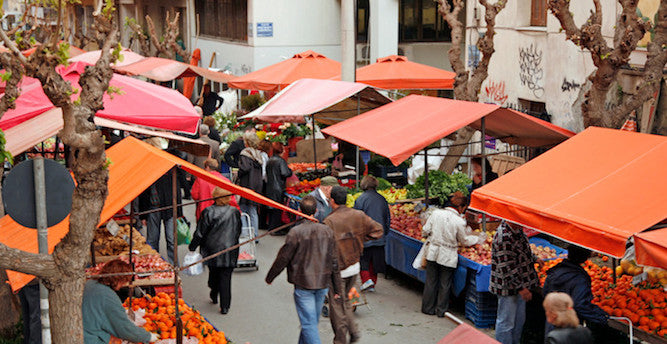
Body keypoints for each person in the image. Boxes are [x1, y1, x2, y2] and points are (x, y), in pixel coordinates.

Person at [266, 196, 343, 344]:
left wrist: (270, 277)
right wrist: (338, 287)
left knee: (308, 323)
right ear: (316, 211)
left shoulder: (296, 232)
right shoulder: (327, 231)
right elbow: (334, 261)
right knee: (311, 322)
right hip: (322, 283)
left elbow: (283, 258)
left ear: (300, 211)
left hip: (303, 284)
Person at [323, 186, 383, 344]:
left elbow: (324, 248)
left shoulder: (329, 221)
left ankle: (342, 339)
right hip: (354, 266)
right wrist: (359, 240)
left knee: (337, 306)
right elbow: (378, 230)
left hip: (338, 270)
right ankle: (353, 332)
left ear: (332, 201)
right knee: (345, 302)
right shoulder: (358, 215)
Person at [421, 192, 482, 317]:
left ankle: (427, 308)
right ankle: (441, 310)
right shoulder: (459, 221)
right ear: (461, 207)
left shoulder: (436, 213)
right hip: (448, 254)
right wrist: (477, 239)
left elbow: (425, 230)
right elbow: (464, 240)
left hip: (433, 251)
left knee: (431, 280)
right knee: (445, 283)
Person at [189, 187, 242, 314]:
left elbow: (200, 233)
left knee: (214, 273)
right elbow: (238, 229)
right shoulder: (234, 212)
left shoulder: (208, 211)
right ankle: (225, 306)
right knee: (226, 278)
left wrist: (192, 246)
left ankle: (214, 292)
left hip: (212, 249)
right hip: (230, 249)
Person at [542, 245, 610, 340]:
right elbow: (580, 304)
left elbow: (545, 294)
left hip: (552, 323)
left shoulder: (554, 271)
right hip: (569, 326)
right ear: (585, 258)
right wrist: (601, 316)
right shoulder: (580, 279)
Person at [83, 259, 158, 344]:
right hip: (90, 339)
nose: (123, 285)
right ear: (119, 280)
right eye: (124, 282)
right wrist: (147, 336)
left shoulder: (90, 283)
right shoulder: (108, 296)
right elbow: (123, 328)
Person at [489, 221, 539, 344]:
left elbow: (523, 251)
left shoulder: (518, 231)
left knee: (518, 320)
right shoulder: (504, 236)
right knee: (506, 322)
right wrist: (521, 288)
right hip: (507, 287)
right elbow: (507, 267)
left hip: (520, 283)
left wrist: (535, 259)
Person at [352, 175, 391, 292]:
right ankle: (372, 283)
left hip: (365, 237)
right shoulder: (382, 199)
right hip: (379, 236)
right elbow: (387, 218)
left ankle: (366, 280)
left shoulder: (360, 199)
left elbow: (356, 219)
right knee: (375, 262)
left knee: (364, 260)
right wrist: (385, 232)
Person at [138, 170, 182, 264]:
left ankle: (174, 265)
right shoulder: (148, 174)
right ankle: (154, 263)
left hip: (169, 208)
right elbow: (143, 195)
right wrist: (143, 216)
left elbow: (177, 193)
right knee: (152, 239)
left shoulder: (170, 173)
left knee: (171, 239)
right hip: (153, 208)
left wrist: (179, 213)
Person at [237, 131, 263, 238]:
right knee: (253, 210)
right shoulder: (258, 154)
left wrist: (238, 172)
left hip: (247, 183)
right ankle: (255, 234)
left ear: (247, 142)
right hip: (257, 184)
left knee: (243, 209)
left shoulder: (245, 153)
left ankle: (245, 233)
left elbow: (245, 168)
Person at [265, 142, 293, 233]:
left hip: (270, 186)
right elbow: (285, 173)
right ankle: (275, 229)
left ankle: (272, 227)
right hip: (277, 187)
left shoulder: (270, 160)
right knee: (277, 209)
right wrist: (290, 171)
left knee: (272, 209)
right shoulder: (280, 161)